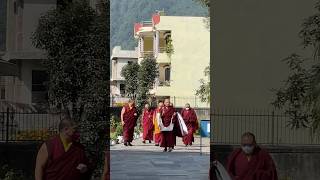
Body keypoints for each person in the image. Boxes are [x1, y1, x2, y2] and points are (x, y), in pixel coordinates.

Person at [35, 114, 91, 180]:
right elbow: (39, 167)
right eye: (75, 130)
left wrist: (85, 168)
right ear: (66, 129)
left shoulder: (79, 148)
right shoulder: (49, 145)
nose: (77, 133)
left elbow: (86, 167)